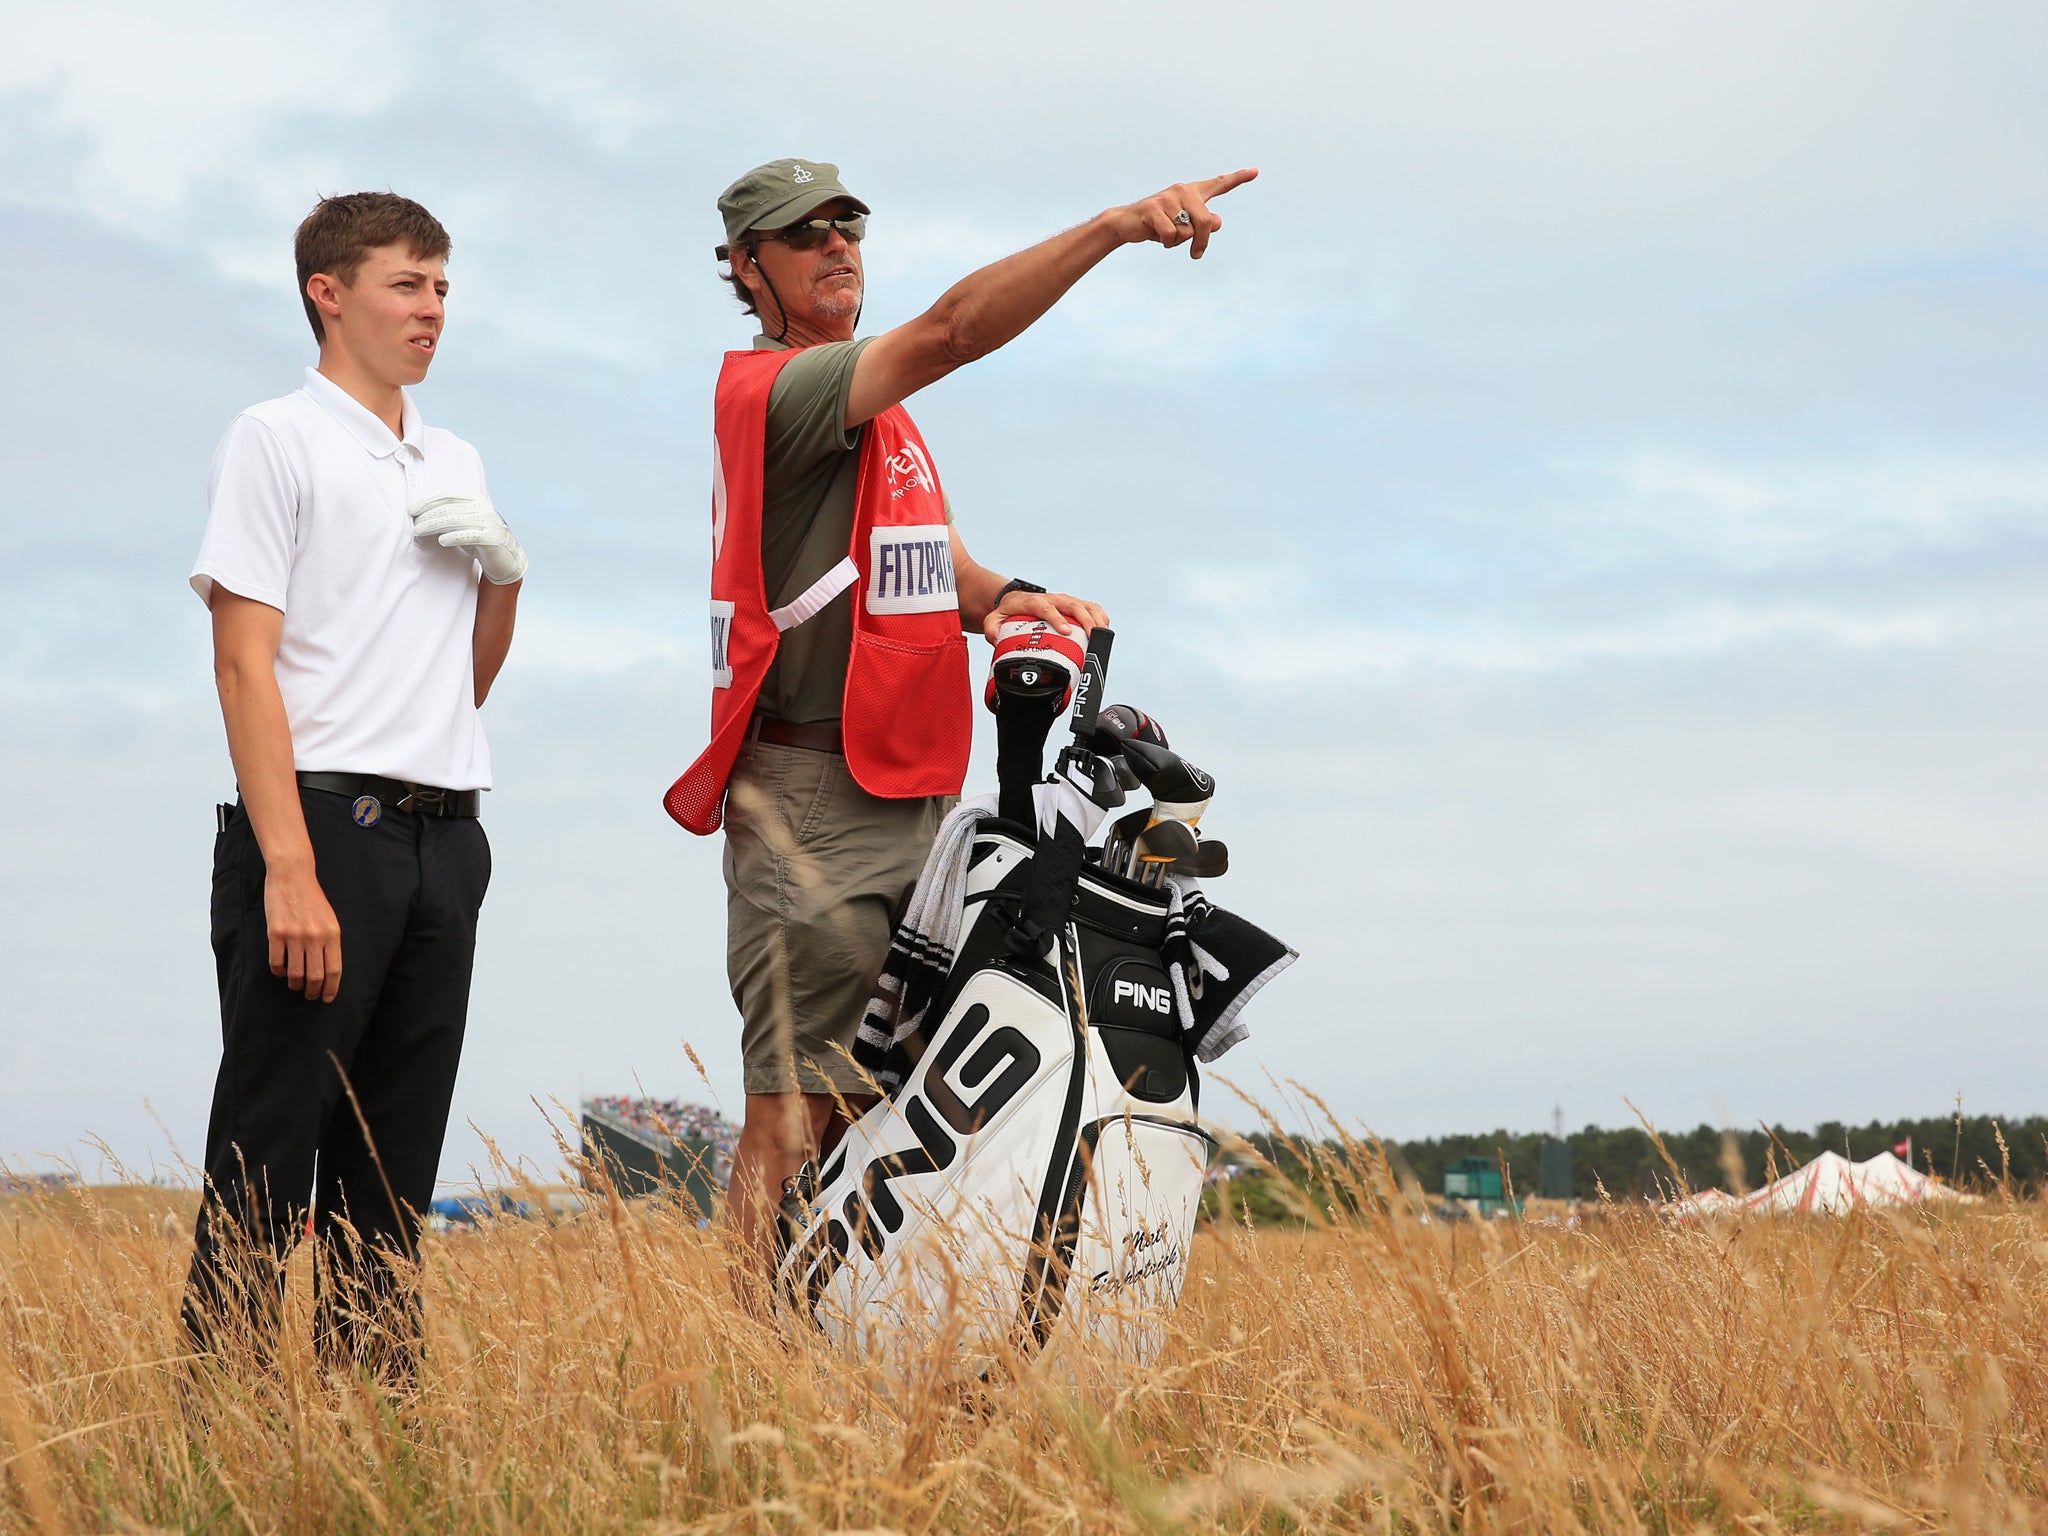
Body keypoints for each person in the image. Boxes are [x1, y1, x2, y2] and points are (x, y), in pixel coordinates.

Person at [664, 157, 1256, 1266]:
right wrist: (1116, 224)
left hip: (907, 795)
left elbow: (937, 572)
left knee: (878, 1102)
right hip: (812, 802)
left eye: (847, 225)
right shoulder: (780, 392)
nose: (837, 246)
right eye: (803, 236)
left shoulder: (869, 419)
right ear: (747, 269)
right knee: (792, 1113)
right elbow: (951, 331)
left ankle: (838, 1347)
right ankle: (745, 1379)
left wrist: (1010, 602)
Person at [182, 192, 526, 1381]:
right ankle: (217, 1437)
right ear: (329, 293)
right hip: (324, 826)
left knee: (392, 1178)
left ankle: (374, 1445)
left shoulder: (454, 457)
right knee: (269, 1157)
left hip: (446, 836)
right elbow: (242, 659)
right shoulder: (274, 436)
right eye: (405, 283)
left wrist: (503, 587)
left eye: (440, 285)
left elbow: (459, 684)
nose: (432, 308)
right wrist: (288, 865)